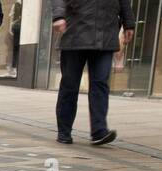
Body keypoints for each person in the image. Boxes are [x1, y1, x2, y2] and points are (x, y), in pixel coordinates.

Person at [51, 0, 133, 146]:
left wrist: (129, 23)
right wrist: (58, 15)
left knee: (100, 83)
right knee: (70, 85)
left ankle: (99, 131)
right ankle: (64, 131)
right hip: (75, 31)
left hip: (105, 33)